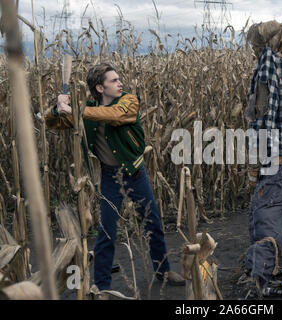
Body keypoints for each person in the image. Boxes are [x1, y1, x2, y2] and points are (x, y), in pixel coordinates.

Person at [45, 63, 185, 297]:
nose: (120, 83)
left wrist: (76, 111)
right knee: (106, 231)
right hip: (110, 177)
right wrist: (58, 107)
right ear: (100, 87)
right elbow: (52, 123)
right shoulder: (87, 111)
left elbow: (116, 116)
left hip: (135, 173)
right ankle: (101, 284)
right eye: (114, 80)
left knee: (153, 222)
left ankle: (164, 270)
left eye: (119, 79)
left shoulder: (128, 102)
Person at [243, 21, 282, 294]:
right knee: (276, 214)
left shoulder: (268, 64)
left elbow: (262, 114)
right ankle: (266, 268)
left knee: (266, 217)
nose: (254, 49)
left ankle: (259, 285)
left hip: (276, 158)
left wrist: (257, 156)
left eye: (255, 44)